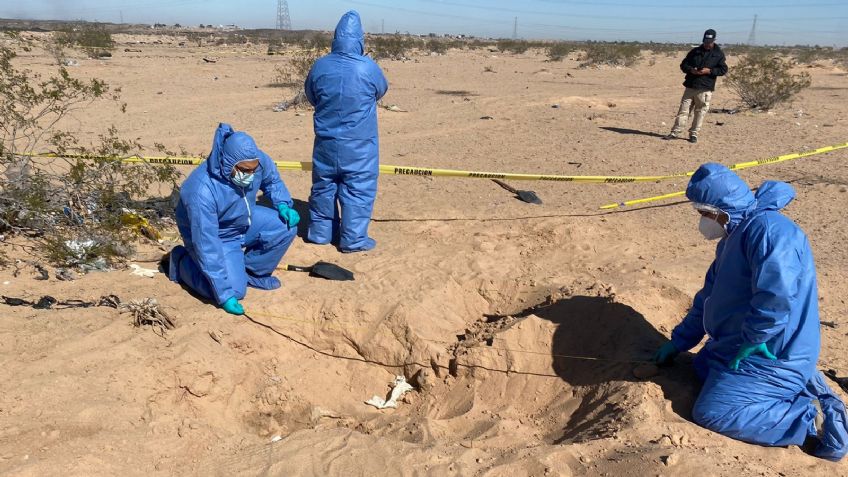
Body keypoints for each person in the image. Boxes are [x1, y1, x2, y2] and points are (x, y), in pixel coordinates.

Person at [653, 163, 848, 461]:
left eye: (706, 214)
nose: (704, 221)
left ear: (722, 209)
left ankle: (813, 417)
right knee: (701, 369)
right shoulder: (735, 236)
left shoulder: (769, 230)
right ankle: (802, 383)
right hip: (739, 344)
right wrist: (680, 341)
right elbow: (708, 297)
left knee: (714, 412)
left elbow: (777, 292)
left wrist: (757, 336)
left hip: (772, 352)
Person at [167, 123, 300, 315]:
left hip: (244, 220)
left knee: (284, 227)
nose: (250, 175)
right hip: (218, 234)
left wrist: (283, 204)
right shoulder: (202, 191)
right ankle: (181, 263)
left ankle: (253, 273)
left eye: (253, 170)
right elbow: (206, 244)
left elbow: (272, 180)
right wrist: (223, 294)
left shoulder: (256, 160)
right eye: (245, 171)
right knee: (234, 291)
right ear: (228, 163)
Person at [304, 10, 388, 253]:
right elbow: (381, 91)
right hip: (360, 146)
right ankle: (352, 239)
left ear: (336, 38)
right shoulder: (369, 68)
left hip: (326, 143)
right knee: (358, 190)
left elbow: (311, 95)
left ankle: (320, 233)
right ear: (360, 39)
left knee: (324, 186)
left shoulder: (320, 66)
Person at [665, 29, 728, 144]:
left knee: (700, 112)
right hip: (690, 86)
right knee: (683, 111)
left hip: (705, 87)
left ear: (714, 40)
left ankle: (694, 133)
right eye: (705, 41)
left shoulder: (718, 54)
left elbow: (723, 69)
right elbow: (683, 65)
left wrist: (709, 71)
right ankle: (675, 132)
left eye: (709, 41)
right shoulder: (694, 51)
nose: (707, 43)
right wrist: (691, 70)